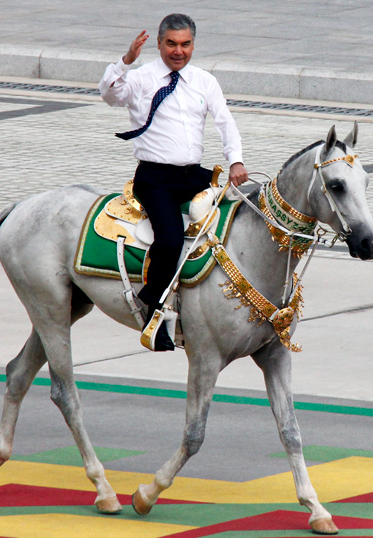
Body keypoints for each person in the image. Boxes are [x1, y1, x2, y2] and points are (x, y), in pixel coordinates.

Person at [99, 13, 249, 351]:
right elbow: (109, 94)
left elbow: (225, 122)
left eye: (185, 44)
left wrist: (236, 159)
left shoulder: (204, 81)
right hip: (155, 179)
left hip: (192, 175)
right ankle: (153, 308)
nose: (178, 51)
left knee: (235, 223)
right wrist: (125, 62)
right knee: (169, 240)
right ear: (159, 43)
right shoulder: (140, 78)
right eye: (171, 44)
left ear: (193, 44)